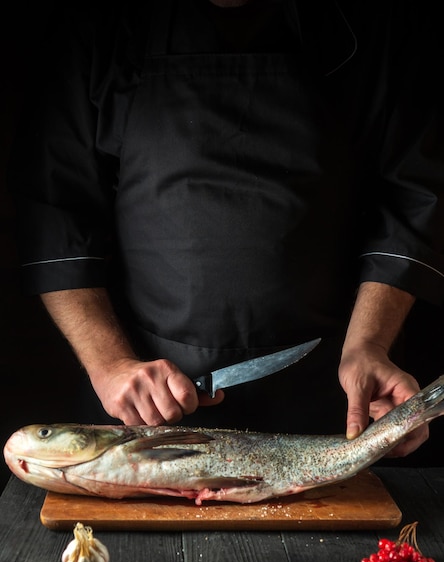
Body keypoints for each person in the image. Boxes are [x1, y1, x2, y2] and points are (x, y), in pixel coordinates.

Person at [9, 0, 444, 456]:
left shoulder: (374, 26)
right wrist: (110, 364)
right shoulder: (100, 25)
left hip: (332, 398)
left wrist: (369, 344)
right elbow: (53, 212)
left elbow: (413, 195)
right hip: (142, 406)